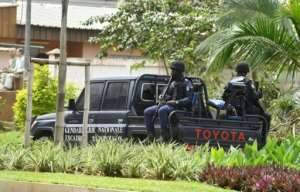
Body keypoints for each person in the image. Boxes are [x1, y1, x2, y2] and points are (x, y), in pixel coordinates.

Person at [143, 61, 193, 142]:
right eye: (171, 70)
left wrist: (177, 102)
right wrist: (162, 97)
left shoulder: (187, 83)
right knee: (147, 111)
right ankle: (150, 135)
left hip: (180, 108)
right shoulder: (172, 83)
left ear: (179, 71)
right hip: (168, 105)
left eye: (173, 71)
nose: (171, 72)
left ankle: (164, 135)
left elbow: (189, 99)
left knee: (162, 110)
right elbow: (168, 95)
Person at [222, 62, 271, 137]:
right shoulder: (247, 82)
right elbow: (253, 97)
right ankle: (263, 138)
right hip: (247, 110)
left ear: (237, 71)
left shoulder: (231, 82)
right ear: (246, 71)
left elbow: (224, 96)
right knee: (267, 116)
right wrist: (260, 93)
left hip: (233, 110)